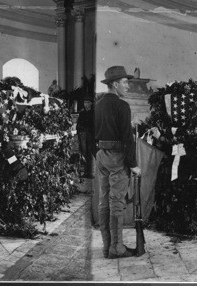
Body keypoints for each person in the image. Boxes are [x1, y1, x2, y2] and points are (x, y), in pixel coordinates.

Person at [95, 66, 141, 259]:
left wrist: (97, 154)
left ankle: (107, 247)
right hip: (117, 157)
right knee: (117, 203)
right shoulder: (122, 106)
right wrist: (133, 164)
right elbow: (127, 139)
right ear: (115, 84)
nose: (127, 86)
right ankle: (117, 248)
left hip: (101, 156)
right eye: (124, 82)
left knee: (104, 201)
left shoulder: (97, 104)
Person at [77, 96, 95, 179]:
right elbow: (79, 124)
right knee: (84, 152)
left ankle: (91, 172)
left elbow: (95, 124)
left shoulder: (93, 113)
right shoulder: (82, 113)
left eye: (87, 102)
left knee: (90, 153)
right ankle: (85, 172)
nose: (86, 104)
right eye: (84, 102)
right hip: (83, 134)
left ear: (91, 103)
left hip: (91, 134)